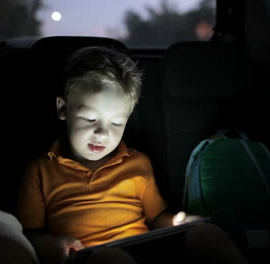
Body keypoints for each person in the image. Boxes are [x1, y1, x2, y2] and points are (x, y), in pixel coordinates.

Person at [17, 46, 247, 264]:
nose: (103, 133)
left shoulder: (137, 164)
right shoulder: (41, 171)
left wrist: (178, 222)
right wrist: (49, 244)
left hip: (145, 251)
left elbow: (156, 219)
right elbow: (28, 235)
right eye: (89, 119)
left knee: (207, 234)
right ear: (63, 109)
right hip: (91, 258)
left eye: (116, 123)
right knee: (112, 259)